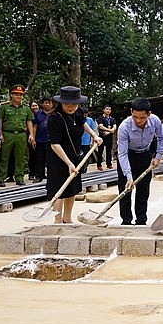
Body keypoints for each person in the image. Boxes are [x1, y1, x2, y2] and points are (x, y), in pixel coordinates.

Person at [47, 86, 102, 224]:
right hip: (59, 157)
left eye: (74, 104)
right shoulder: (55, 118)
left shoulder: (78, 113)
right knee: (60, 188)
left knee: (72, 188)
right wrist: (69, 163)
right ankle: (58, 220)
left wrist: (94, 135)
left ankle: (67, 218)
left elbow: (83, 125)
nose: (70, 107)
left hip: (75, 155)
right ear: (61, 103)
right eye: (67, 104)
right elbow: (55, 144)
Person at [116, 97, 163, 225]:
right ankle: (126, 221)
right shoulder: (124, 127)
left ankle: (141, 220)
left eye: (142, 118)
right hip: (128, 155)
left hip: (144, 155)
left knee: (143, 190)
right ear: (131, 112)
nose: (138, 121)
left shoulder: (155, 121)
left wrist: (158, 156)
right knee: (125, 190)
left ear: (148, 114)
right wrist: (128, 176)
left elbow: (161, 137)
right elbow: (122, 153)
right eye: (135, 117)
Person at [0, 85, 35, 187]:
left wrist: (31, 134)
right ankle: (0, 178)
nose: (18, 96)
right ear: (11, 95)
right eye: (16, 94)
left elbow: (29, 121)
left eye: (20, 95)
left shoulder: (26, 108)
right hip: (7, 134)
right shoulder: (4, 107)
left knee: (20, 157)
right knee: (4, 157)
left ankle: (19, 178)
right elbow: (0, 121)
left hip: (21, 135)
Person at [31, 96, 54, 183]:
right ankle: (38, 176)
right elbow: (35, 126)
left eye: (49, 102)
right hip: (40, 139)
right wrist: (33, 137)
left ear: (52, 104)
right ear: (42, 103)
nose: (47, 104)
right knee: (39, 159)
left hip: (52, 140)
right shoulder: (38, 113)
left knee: (51, 159)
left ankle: (51, 175)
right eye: (45, 102)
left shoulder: (55, 113)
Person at [96, 105, 116, 170]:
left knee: (109, 151)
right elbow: (100, 126)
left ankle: (109, 164)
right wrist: (109, 130)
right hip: (102, 137)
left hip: (109, 137)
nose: (108, 111)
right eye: (107, 109)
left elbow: (115, 127)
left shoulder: (112, 119)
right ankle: (99, 165)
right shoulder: (100, 118)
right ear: (103, 110)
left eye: (109, 109)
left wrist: (109, 132)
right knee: (100, 151)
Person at [80, 107, 97, 174]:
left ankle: (84, 171)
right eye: (84, 114)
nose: (85, 116)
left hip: (86, 142)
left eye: (86, 114)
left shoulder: (90, 120)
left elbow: (93, 131)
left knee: (86, 158)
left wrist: (91, 141)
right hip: (79, 142)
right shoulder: (78, 120)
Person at [27, 101, 40, 180]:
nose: (35, 107)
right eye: (33, 106)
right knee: (32, 156)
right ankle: (31, 173)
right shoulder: (29, 115)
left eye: (36, 105)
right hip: (31, 137)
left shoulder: (41, 114)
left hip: (41, 138)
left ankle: (39, 173)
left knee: (40, 157)